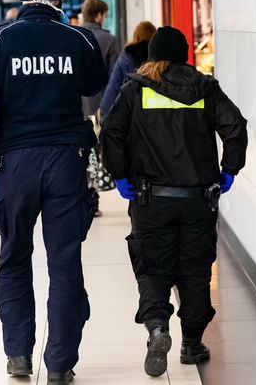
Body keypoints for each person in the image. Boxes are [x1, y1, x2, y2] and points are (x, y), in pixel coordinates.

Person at [0, 0, 107, 385]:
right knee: (64, 261)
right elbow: (93, 84)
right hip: (66, 161)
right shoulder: (77, 38)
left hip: (15, 165)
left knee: (14, 255)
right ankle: (60, 364)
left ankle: (18, 355)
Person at [99, 26, 248, 377]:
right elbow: (235, 126)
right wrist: (229, 170)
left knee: (153, 268)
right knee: (195, 271)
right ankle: (191, 344)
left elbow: (111, 131)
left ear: (151, 54)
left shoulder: (136, 89)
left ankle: (157, 328)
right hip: (198, 200)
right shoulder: (205, 88)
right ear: (184, 54)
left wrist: (120, 175)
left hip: (150, 200)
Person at [99, 21, 157, 117]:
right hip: (156, 115)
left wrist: (103, 113)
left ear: (136, 36)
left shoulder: (126, 57)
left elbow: (113, 89)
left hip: (131, 115)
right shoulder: (159, 60)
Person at [80, 0, 119, 119]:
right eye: (105, 15)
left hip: (76, 110)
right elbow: (115, 79)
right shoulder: (110, 40)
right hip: (102, 111)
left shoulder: (71, 37)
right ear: (99, 16)